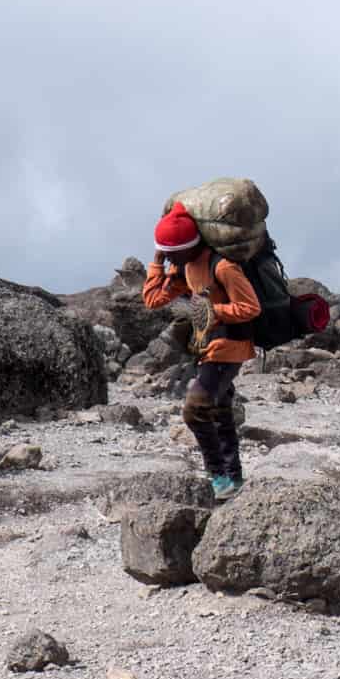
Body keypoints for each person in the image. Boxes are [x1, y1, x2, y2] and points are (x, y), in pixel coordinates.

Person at [142, 202, 262, 501]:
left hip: (229, 348)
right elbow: (153, 300)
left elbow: (251, 307)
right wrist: (157, 262)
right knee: (219, 410)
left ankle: (218, 477)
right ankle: (232, 478)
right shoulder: (184, 267)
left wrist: (213, 310)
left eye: (170, 252)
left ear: (187, 247)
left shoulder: (222, 266)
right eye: (164, 252)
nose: (167, 257)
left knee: (195, 410)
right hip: (209, 347)